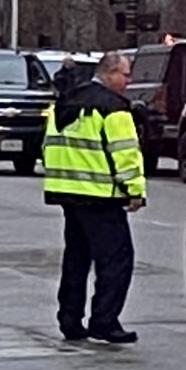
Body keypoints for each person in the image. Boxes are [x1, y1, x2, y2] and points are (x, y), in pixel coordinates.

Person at [42, 51, 146, 344]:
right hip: (101, 195)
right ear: (110, 73)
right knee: (116, 260)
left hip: (68, 192)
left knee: (76, 259)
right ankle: (104, 321)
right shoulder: (113, 108)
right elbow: (125, 154)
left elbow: (48, 145)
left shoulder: (67, 101)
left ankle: (70, 319)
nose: (128, 81)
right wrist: (134, 191)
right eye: (125, 75)